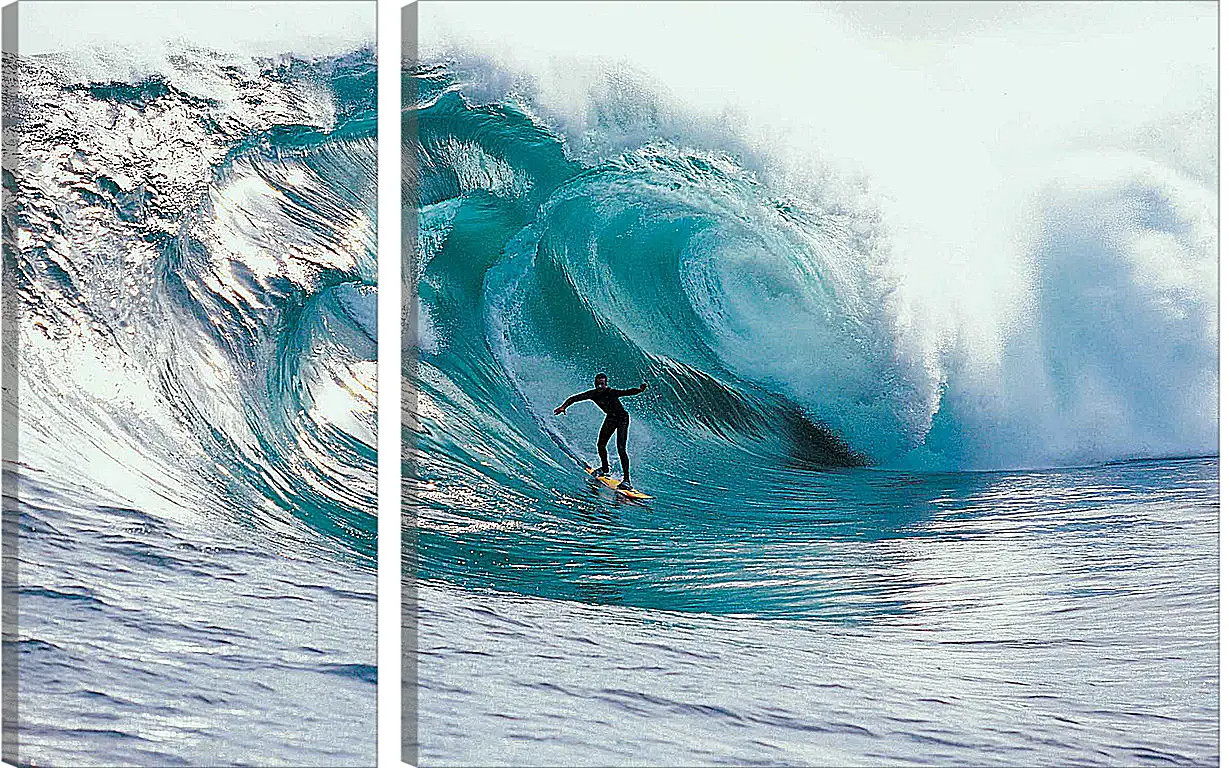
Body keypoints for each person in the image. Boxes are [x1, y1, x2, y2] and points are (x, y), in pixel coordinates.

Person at [554, 373, 647, 489]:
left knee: (621, 448)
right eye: (597, 384)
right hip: (611, 418)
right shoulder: (593, 394)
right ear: (595, 384)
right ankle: (605, 468)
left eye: (602, 384)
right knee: (601, 444)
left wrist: (639, 390)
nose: (599, 386)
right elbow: (574, 398)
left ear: (605, 384)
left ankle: (627, 480)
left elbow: (627, 392)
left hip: (622, 418)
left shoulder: (611, 392)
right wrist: (564, 406)